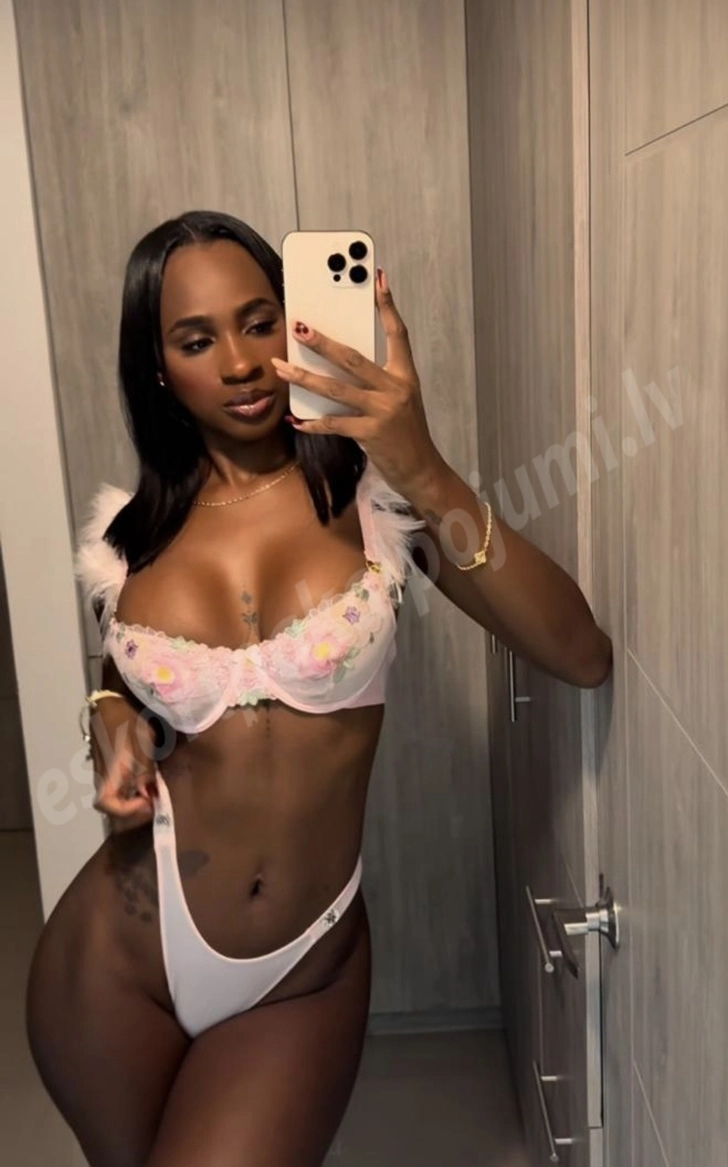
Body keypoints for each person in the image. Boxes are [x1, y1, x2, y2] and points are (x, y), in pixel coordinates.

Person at [25, 210, 612, 1167]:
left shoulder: (381, 506)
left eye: (259, 322)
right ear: (158, 369)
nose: (240, 362)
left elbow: (578, 649)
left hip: (301, 970)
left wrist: (424, 463)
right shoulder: (131, 538)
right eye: (196, 340)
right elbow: (122, 678)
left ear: (296, 320)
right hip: (112, 960)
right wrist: (111, 715)